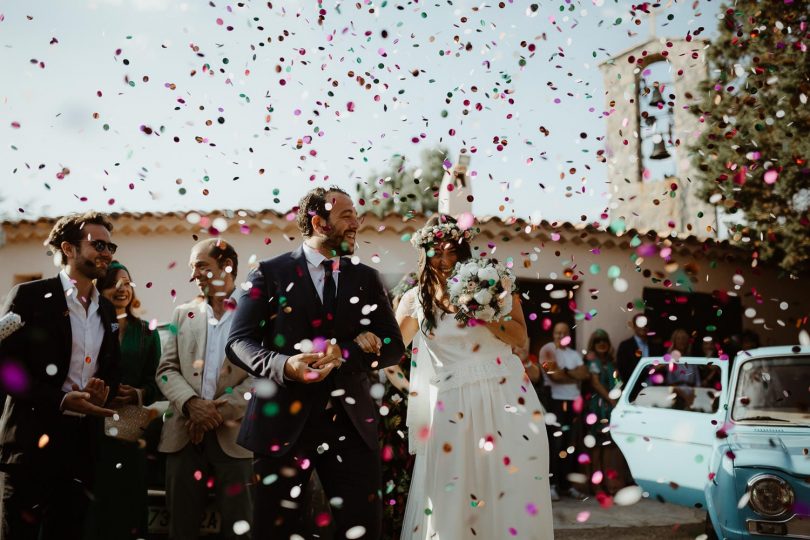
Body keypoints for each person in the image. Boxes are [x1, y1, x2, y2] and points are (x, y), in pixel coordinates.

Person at [226, 187, 405, 539]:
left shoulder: (367, 278)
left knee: (363, 531)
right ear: (319, 222)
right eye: (347, 216)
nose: (356, 223)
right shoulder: (269, 273)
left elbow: (393, 346)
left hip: (351, 427)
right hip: (281, 424)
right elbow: (238, 342)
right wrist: (285, 365)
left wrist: (347, 353)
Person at [390, 215, 553, 539]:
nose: (445, 259)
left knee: (511, 488)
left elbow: (519, 337)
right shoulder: (415, 299)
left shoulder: (494, 282)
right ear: (424, 253)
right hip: (451, 407)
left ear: (463, 251)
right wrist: (411, 388)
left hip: (506, 398)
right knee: (454, 496)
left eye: (452, 251)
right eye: (436, 252)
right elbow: (390, 353)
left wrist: (483, 311)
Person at [0, 211, 121, 540]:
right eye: (98, 245)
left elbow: (110, 369)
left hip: (81, 450)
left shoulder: (107, 310)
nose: (107, 253)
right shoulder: (29, 296)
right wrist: (62, 399)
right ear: (68, 249)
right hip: (30, 445)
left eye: (111, 247)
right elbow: (6, 370)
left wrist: (101, 392)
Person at [156, 239, 254, 540]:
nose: (193, 275)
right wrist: (191, 404)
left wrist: (213, 411)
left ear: (226, 267)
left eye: (201, 266)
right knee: (180, 529)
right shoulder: (181, 314)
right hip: (183, 436)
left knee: (240, 530)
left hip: (236, 439)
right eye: (192, 267)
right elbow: (165, 371)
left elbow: (263, 376)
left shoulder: (256, 313)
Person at [84, 261, 162, 540]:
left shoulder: (146, 332)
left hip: (129, 427)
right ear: (99, 288)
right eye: (114, 284)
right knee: (93, 502)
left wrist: (138, 393)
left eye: (127, 283)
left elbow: (158, 382)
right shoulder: (87, 328)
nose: (122, 289)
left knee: (128, 498)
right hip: (89, 425)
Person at [541, 322, 590, 501]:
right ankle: (552, 485)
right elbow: (554, 376)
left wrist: (565, 372)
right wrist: (571, 374)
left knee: (570, 445)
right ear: (553, 334)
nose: (560, 336)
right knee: (556, 444)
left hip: (573, 402)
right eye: (557, 332)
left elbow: (585, 374)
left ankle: (566, 486)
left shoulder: (574, 354)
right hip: (555, 401)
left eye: (564, 332)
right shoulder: (547, 351)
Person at [582, 329, 627, 496]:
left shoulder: (611, 363)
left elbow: (618, 384)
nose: (602, 344)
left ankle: (609, 483)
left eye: (604, 340)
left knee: (608, 448)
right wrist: (612, 400)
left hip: (611, 410)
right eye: (598, 340)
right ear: (593, 344)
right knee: (596, 449)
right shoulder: (592, 361)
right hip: (597, 409)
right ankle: (596, 486)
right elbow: (595, 384)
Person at [616, 313, 662, 385]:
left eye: (646, 324)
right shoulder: (625, 346)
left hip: (654, 389)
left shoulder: (655, 346)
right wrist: (651, 370)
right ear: (634, 326)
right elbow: (625, 372)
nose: (643, 327)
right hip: (633, 390)